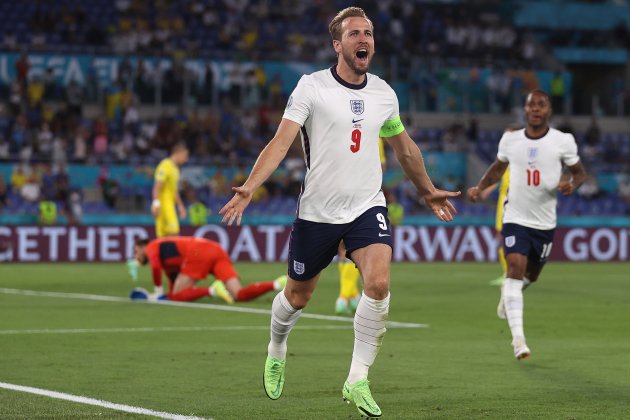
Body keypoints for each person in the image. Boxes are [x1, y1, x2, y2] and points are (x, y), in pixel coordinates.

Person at [219, 7, 460, 417]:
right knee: (298, 296)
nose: (363, 39)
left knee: (379, 284)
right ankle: (277, 349)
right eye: (354, 34)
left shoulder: (384, 93)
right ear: (338, 44)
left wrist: (428, 191)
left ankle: (357, 379)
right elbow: (280, 142)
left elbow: (404, 148)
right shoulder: (311, 88)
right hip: (318, 211)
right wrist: (250, 188)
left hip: (367, 205)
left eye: (368, 33)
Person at [467, 90, 586, 360]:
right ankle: (518, 341)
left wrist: (571, 184)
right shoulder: (511, 140)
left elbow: (580, 172)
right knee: (515, 268)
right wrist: (480, 187)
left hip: (544, 222)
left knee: (530, 275)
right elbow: (498, 168)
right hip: (515, 217)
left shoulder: (562, 141)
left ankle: (508, 293)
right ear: (525, 109)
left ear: (548, 111)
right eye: (531, 104)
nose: (535, 109)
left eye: (541, 105)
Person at [130, 237, 287, 304]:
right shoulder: (168, 261)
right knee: (238, 294)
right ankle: (278, 284)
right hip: (215, 249)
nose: (137, 256)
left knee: (176, 296)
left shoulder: (153, 245)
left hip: (198, 252)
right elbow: (173, 282)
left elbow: (156, 267)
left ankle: (212, 290)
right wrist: (166, 294)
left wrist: (157, 292)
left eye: (136, 251)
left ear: (143, 245)